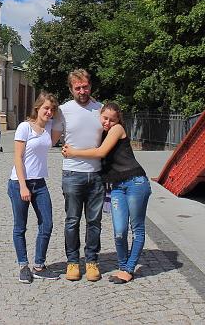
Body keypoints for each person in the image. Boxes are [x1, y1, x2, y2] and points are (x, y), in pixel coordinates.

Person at [62, 102, 150, 283]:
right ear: (99, 115)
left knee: (137, 228)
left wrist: (73, 152)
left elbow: (101, 152)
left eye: (112, 119)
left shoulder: (117, 130)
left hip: (135, 182)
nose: (107, 122)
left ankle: (128, 269)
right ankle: (122, 267)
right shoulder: (102, 133)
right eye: (105, 118)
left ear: (118, 120)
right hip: (117, 186)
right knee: (119, 231)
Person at [51, 68, 104, 282]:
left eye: (85, 86)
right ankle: (72, 262)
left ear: (90, 86)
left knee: (94, 222)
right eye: (78, 88)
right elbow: (51, 139)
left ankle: (91, 261)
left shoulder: (100, 109)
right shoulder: (64, 111)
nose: (82, 91)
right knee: (72, 220)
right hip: (72, 173)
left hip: (96, 174)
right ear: (71, 89)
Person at [8, 91, 61, 283]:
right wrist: (23, 186)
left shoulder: (49, 128)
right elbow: (17, 157)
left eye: (52, 109)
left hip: (40, 183)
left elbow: (63, 119)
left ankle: (39, 265)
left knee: (47, 223)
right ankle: (23, 266)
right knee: (20, 226)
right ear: (37, 107)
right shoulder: (25, 127)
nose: (49, 112)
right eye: (46, 108)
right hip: (19, 183)